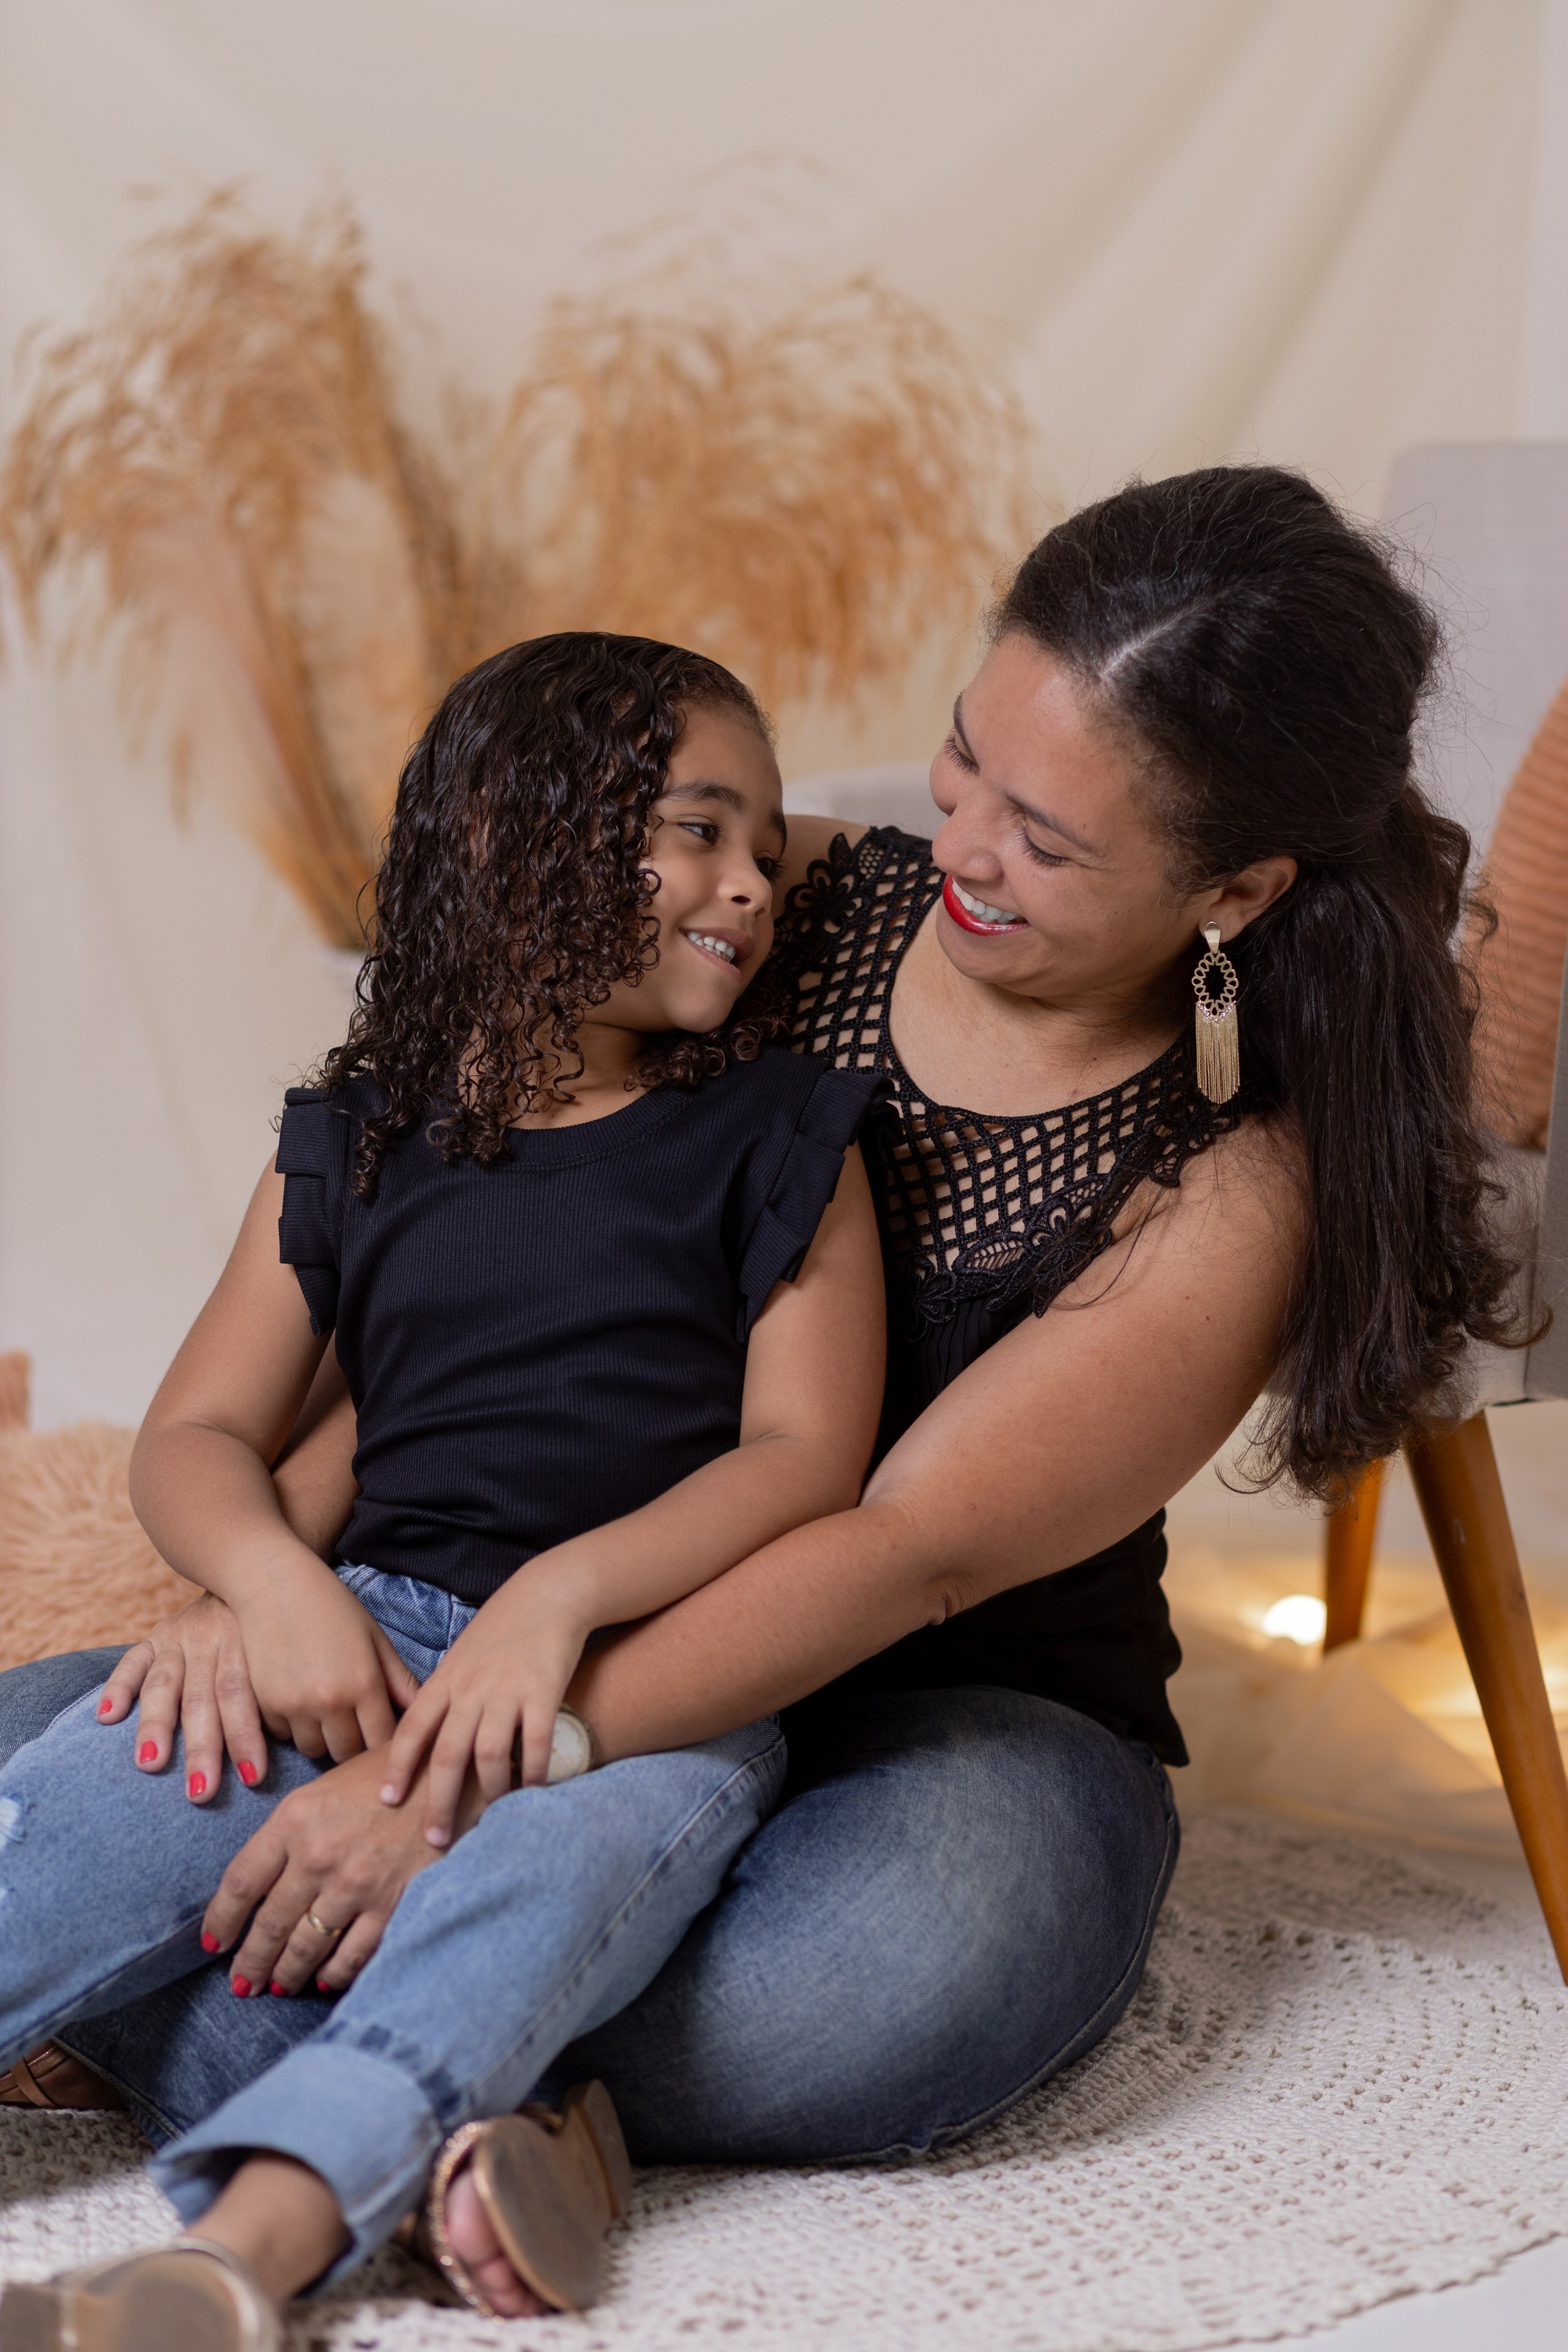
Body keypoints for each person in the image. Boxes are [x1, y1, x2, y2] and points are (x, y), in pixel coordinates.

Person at [0, 468, 1520, 2321]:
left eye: (1044, 838)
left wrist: (444, 1789)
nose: (957, 836)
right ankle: (473, 2098)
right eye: (965, 759)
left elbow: (894, 1547)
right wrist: (274, 1596)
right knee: (84, 1755)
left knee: (885, 1978)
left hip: (933, 1713)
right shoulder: (769, 899)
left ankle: (365, 2064)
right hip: (504, 1623)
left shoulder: (1230, 1180)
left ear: (1235, 888)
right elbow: (462, 1239)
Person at [0, 631, 889, 2347]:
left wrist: (558, 1603)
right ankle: (507, 2142)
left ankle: (231, 2264)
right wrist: (268, 1591)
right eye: (702, 832)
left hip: (644, 1702)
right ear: (506, 834)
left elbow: (804, 1464)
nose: (751, 887)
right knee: (65, 1827)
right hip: (359, 1638)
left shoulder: (785, 1138)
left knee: (528, 1897)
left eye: (767, 851)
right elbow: (193, 1437)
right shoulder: (360, 1134)